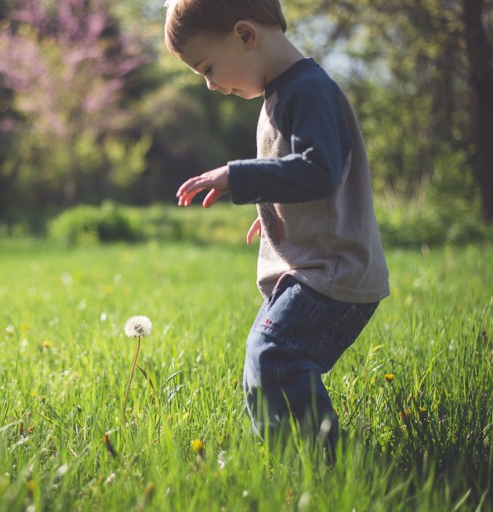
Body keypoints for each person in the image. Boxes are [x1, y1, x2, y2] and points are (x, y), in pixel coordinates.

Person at [164, 0, 390, 452]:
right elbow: (300, 178)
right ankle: (290, 463)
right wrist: (271, 212)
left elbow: (318, 170)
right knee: (266, 356)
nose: (210, 85)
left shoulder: (308, 91)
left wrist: (239, 175)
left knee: (275, 355)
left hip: (332, 272)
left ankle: (322, 466)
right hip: (313, 269)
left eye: (208, 67)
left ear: (246, 36)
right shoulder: (281, 95)